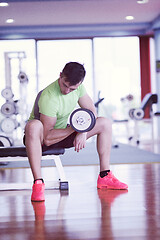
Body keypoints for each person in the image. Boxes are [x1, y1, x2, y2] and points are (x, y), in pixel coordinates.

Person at [24, 62, 128, 202]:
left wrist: (83, 131)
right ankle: (38, 183)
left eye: (72, 89)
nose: (67, 91)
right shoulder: (49, 96)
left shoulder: (78, 88)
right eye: (65, 85)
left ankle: (105, 176)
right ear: (60, 75)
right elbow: (47, 138)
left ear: (79, 84)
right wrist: (76, 127)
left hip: (62, 133)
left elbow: (92, 111)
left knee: (104, 123)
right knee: (33, 125)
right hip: (40, 139)